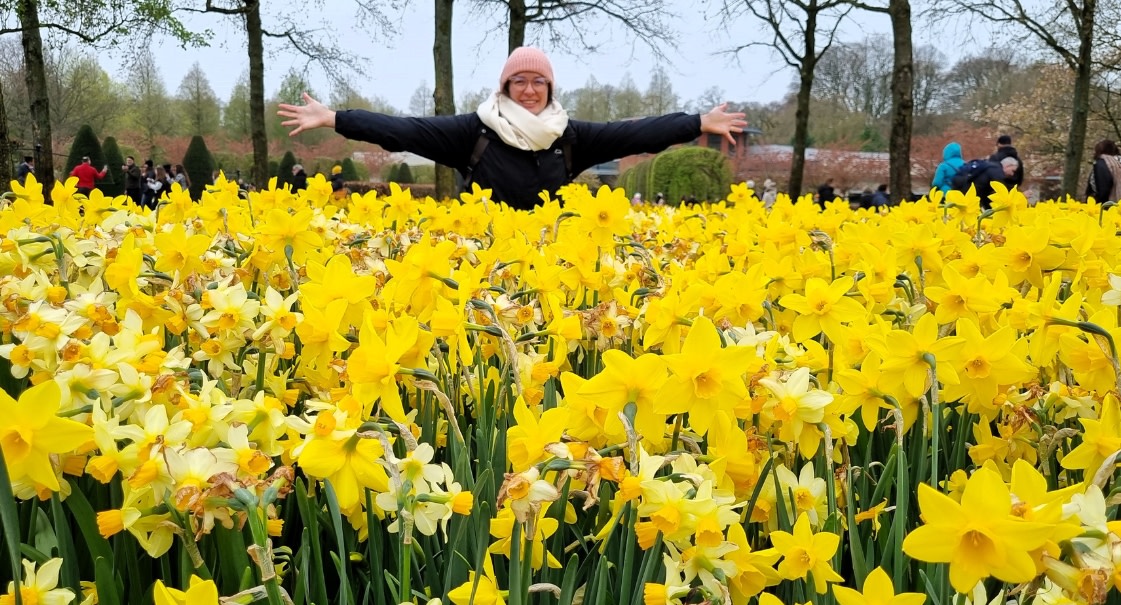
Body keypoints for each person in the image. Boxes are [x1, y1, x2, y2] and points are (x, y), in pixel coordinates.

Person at [277, 47, 747, 210]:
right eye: (518, 81)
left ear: (549, 87)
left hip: (547, 258)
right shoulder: (474, 131)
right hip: (483, 255)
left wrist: (697, 122)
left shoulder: (571, 136)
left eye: (537, 81)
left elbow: (634, 134)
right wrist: (337, 118)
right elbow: (405, 130)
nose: (528, 90)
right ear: (505, 85)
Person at [1086, 139, 1121, 204]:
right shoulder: (1118, 162)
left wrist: (1098, 201)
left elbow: (1104, 188)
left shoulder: (1102, 163)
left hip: (1109, 206)